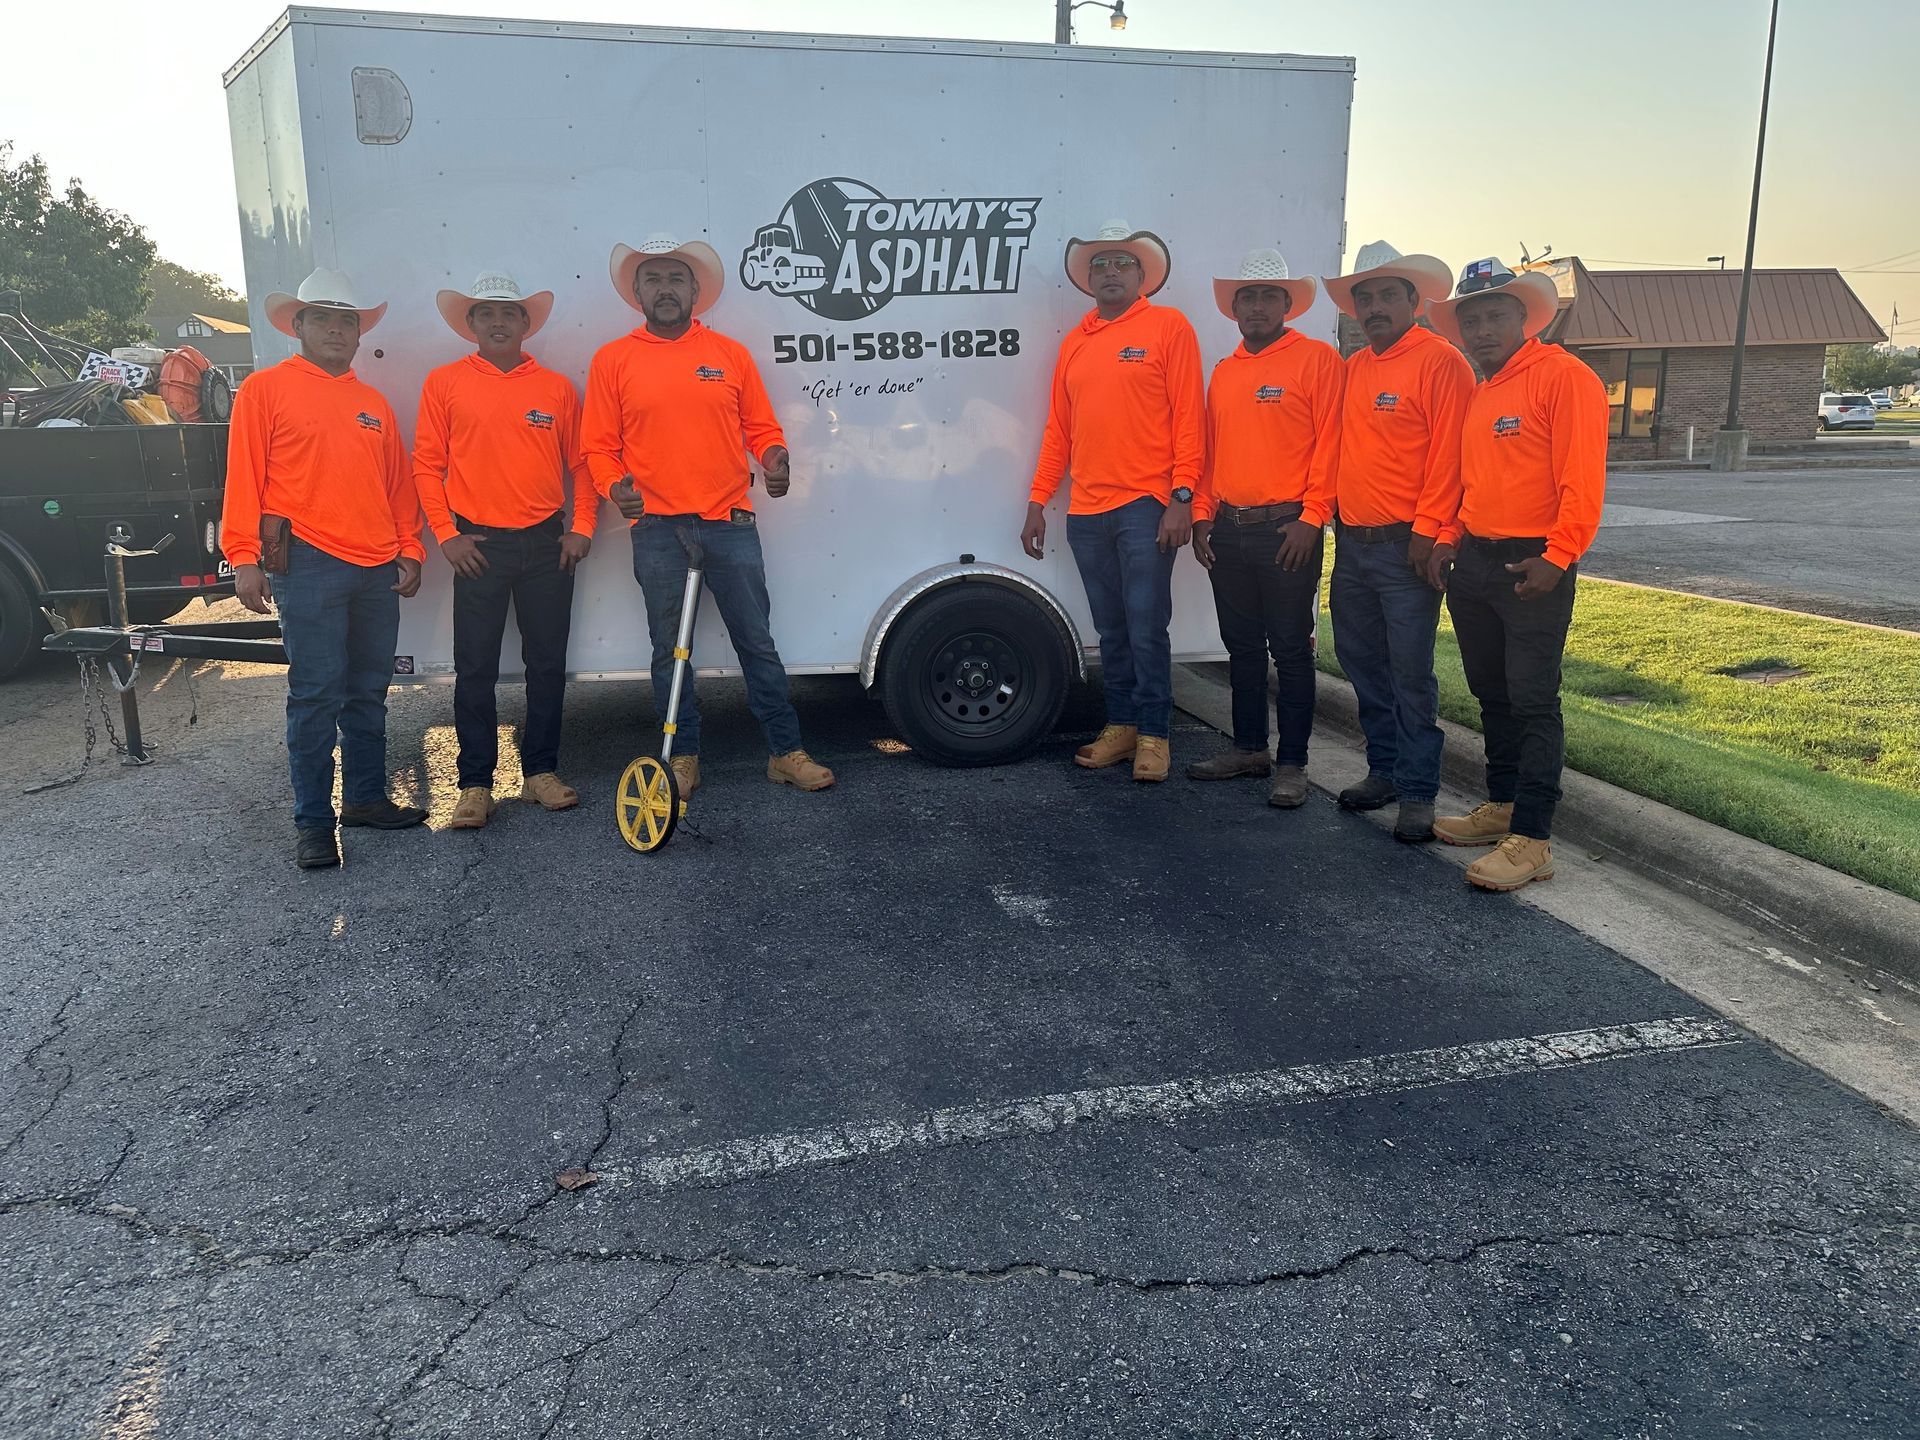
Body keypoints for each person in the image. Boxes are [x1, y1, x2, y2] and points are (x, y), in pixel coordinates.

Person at [581, 232, 833, 798]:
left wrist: (775, 457)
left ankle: (784, 751)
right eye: (653, 278)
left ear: (696, 290)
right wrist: (611, 486)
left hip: (730, 523)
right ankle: (683, 755)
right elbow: (597, 446)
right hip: (658, 531)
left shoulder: (729, 355)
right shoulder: (613, 360)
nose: (664, 289)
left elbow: (763, 431)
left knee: (757, 643)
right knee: (671, 650)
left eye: (675, 278)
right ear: (637, 292)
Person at [221, 268, 427, 869]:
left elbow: (396, 488)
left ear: (359, 333)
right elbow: (244, 479)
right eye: (324, 319)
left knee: (368, 691)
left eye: (348, 322)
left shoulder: (372, 404)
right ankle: (313, 821)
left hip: (375, 566)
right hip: (306, 562)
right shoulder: (264, 390)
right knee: (315, 695)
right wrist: (243, 557)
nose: (337, 330)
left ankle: (364, 799)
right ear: (299, 325)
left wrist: (409, 548)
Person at [1423, 258, 1609, 890]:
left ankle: (1532, 837)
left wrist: (1558, 558)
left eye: (1494, 315)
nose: (1480, 329)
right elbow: (1469, 483)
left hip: (1534, 560)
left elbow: (1581, 481)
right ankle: (1501, 806)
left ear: (1524, 317)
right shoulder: (1483, 389)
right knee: (1491, 692)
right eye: (1469, 319)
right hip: (1475, 558)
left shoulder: (1564, 377)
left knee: (1532, 699)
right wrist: (1449, 540)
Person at [1022, 220, 1204, 783]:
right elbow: (1060, 429)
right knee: (1112, 626)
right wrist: (1037, 499)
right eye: (1100, 264)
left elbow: (1189, 419)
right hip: (1086, 511)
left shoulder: (1169, 327)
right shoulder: (1075, 342)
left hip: (1146, 506)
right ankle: (1122, 725)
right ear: (1089, 277)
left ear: (1142, 274)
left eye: (1122, 263)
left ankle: (1154, 735)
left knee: (1147, 624)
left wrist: (1182, 498)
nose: (1110, 272)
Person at [415, 270, 598, 829]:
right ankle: (474, 785)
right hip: (478, 546)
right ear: (470, 324)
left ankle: (540, 772)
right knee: (475, 668)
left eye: (509, 313)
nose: (498, 322)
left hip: (548, 544)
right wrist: (447, 536)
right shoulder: (443, 383)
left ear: (525, 323)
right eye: (486, 313)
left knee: (547, 665)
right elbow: (426, 465)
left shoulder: (557, 388)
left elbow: (583, 464)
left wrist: (582, 526)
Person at [1322, 247, 1473, 841]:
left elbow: (1451, 454)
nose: (1375, 307)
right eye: (1366, 297)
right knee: (1362, 663)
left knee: (1410, 672)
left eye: (1389, 295)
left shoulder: (1441, 362)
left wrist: (1431, 531)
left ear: (1415, 301)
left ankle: (1417, 791)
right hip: (1354, 543)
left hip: (1406, 547)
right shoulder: (1356, 367)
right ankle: (1382, 771)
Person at [1188, 249, 1342, 808]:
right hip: (1229, 528)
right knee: (1242, 647)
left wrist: (1313, 516)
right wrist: (1202, 515)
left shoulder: (1317, 360)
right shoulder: (1225, 373)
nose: (1256, 306)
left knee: (1292, 650)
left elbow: (1332, 444)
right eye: (1247, 297)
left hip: (1287, 530)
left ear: (1287, 304)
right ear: (1234, 308)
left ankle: (1294, 764)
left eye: (1268, 296)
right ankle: (1250, 749)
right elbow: (1210, 453)